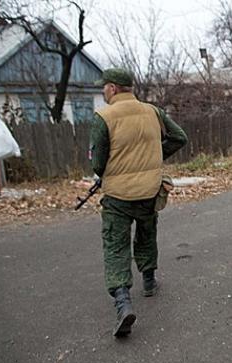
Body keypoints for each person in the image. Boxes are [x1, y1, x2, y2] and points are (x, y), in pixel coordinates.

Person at [89, 68, 188, 337]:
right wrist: (155, 157)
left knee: (115, 244)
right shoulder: (153, 112)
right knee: (146, 234)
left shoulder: (103, 117)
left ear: (112, 88)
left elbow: (98, 164)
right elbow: (180, 137)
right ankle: (149, 282)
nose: (103, 91)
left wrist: (110, 169)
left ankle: (123, 303)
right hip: (149, 191)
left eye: (104, 87)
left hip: (118, 197)